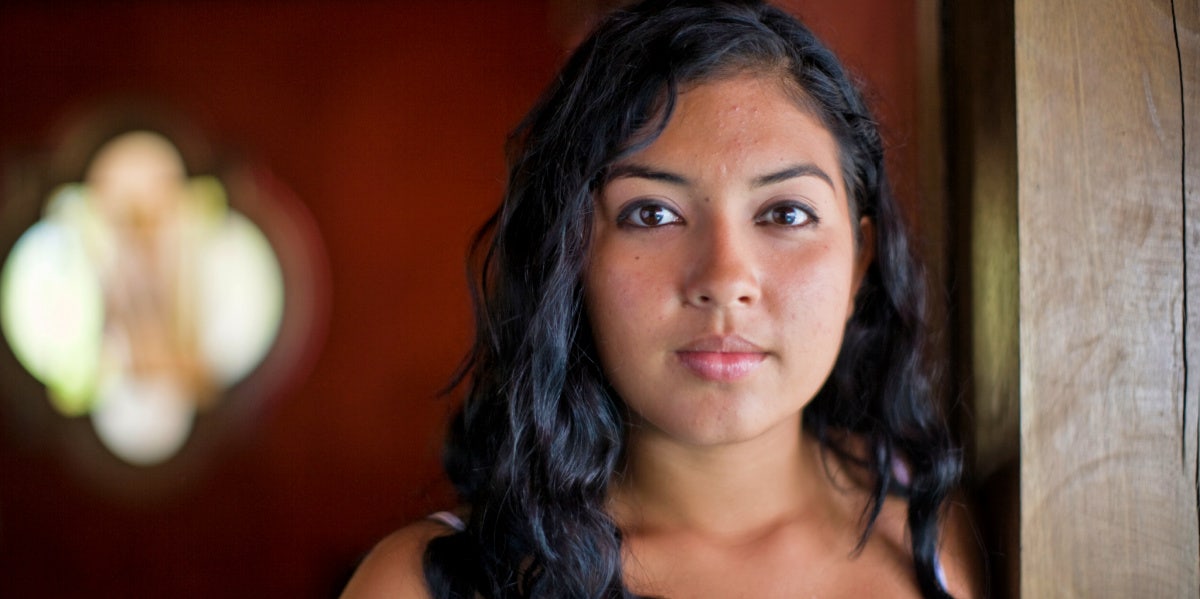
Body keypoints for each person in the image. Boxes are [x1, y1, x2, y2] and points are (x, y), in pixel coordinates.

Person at [343, 1, 979, 597]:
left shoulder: (946, 546)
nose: (725, 277)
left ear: (859, 264)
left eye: (785, 213)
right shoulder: (433, 584)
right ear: (571, 259)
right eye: (652, 213)